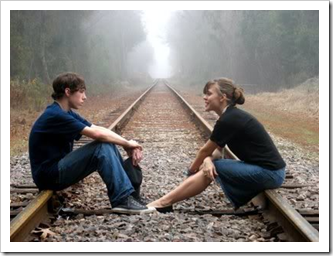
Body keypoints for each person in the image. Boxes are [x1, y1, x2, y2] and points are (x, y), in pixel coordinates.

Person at [148, 78, 286, 211]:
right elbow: (216, 151)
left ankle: (164, 202)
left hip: (271, 173)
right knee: (213, 164)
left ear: (222, 97)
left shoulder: (229, 119)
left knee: (217, 167)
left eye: (209, 94)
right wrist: (208, 160)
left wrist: (191, 172)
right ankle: (165, 201)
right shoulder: (231, 116)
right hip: (268, 171)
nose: (204, 97)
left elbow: (204, 151)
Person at [29, 72, 154, 214]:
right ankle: (121, 199)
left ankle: (129, 196)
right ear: (68, 92)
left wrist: (126, 143)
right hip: (49, 176)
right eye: (81, 92)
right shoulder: (56, 115)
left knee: (108, 143)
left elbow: (96, 128)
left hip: (57, 169)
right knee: (101, 146)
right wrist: (127, 144)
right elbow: (96, 134)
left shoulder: (65, 112)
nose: (85, 97)